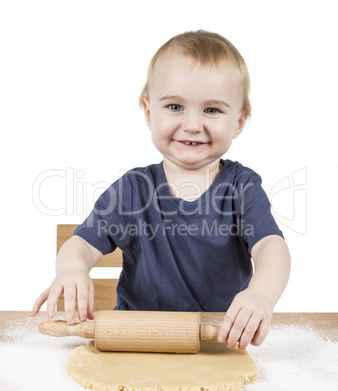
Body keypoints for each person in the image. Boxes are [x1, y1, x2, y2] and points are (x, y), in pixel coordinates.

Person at [33, 30, 291, 350]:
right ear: (149, 111)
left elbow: (271, 247)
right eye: (174, 106)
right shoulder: (133, 191)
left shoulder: (242, 188)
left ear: (238, 121)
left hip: (217, 338)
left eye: (212, 110)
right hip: (131, 340)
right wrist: (72, 270)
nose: (193, 124)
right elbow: (81, 245)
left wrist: (261, 293)